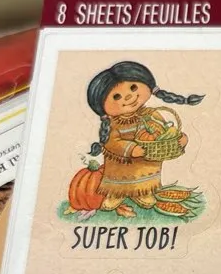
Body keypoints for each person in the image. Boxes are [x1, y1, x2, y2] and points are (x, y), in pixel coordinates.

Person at [85, 61, 203, 218]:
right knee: (119, 182)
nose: (128, 97)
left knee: (145, 183)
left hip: (147, 163)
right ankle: (116, 195)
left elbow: (164, 132)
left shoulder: (152, 114)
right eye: (116, 96)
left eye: (133, 88)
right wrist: (131, 149)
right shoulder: (113, 124)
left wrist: (178, 139)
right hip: (121, 165)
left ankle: (142, 192)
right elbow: (112, 142)